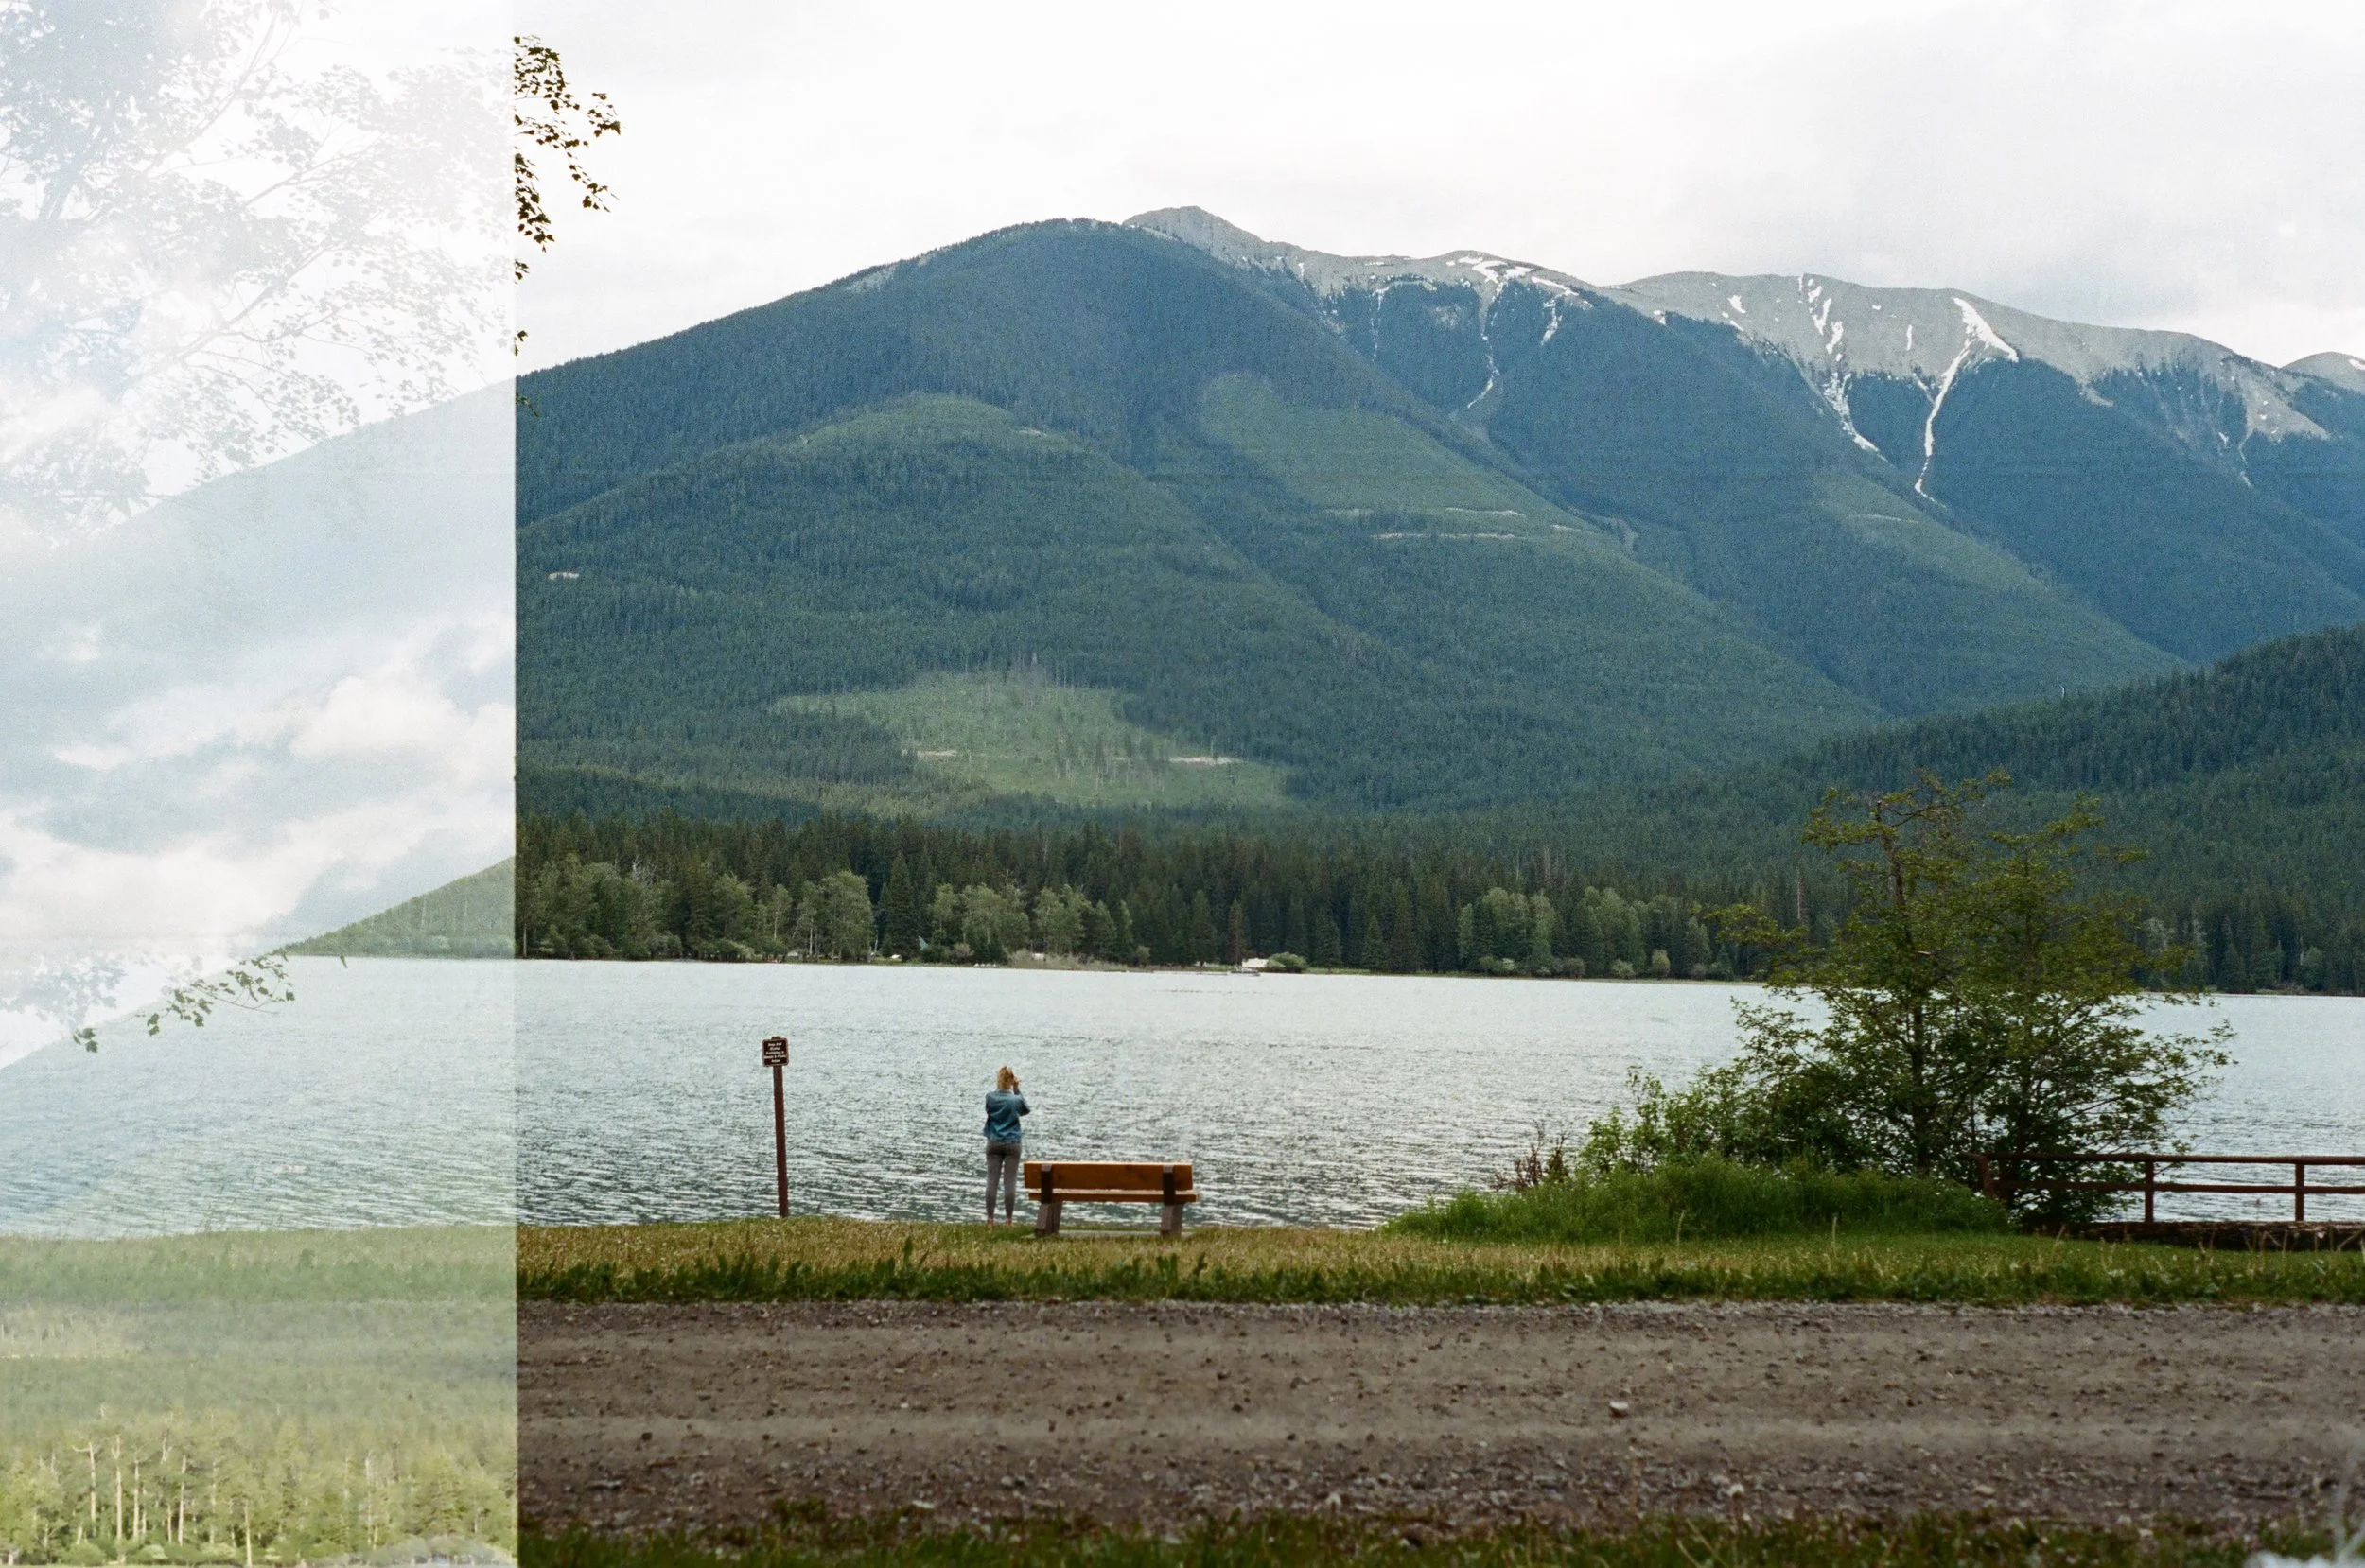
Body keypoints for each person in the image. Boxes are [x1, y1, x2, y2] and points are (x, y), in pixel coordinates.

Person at [983, 1065, 1029, 1227]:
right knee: (1010, 1182)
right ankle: (1009, 1220)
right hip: (1012, 1144)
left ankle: (990, 1219)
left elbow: (989, 1112)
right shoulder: (1015, 1100)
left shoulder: (990, 1097)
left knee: (992, 1181)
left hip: (993, 1142)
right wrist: (1017, 1090)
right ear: (1011, 1081)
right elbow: (1026, 1110)